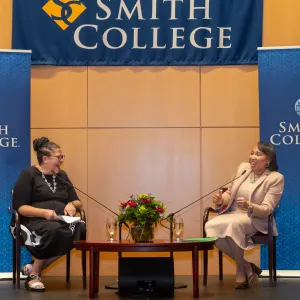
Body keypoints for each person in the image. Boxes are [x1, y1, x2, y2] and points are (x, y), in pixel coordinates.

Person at [205, 141, 284, 289]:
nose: (252, 157)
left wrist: (249, 205)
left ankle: (240, 271)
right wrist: (222, 199)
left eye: (258, 154)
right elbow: (230, 193)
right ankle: (247, 266)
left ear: (268, 160)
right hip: (233, 214)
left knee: (234, 225)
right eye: (252, 153)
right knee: (210, 226)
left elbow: (267, 209)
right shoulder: (243, 168)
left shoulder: (275, 178)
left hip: (255, 218)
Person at [11, 137, 86, 292]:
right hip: (30, 220)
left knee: (80, 228)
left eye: (62, 157)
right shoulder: (28, 174)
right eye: (59, 157)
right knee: (53, 230)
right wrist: (44, 212)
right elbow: (20, 207)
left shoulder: (62, 175)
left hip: (59, 220)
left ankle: (33, 269)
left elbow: (78, 202)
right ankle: (34, 276)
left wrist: (71, 204)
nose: (61, 160)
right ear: (45, 158)